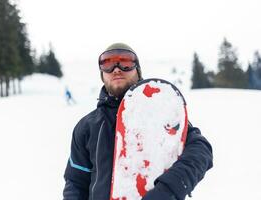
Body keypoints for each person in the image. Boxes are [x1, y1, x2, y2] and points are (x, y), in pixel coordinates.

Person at [63, 43, 213, 200]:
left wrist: (167, 190)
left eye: (126, 62)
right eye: (107, 63)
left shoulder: (160, 112)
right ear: (102, 74)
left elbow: (201, 151)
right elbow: (76, 182)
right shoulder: (87, 126)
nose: (116, 69)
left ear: (138, 71)